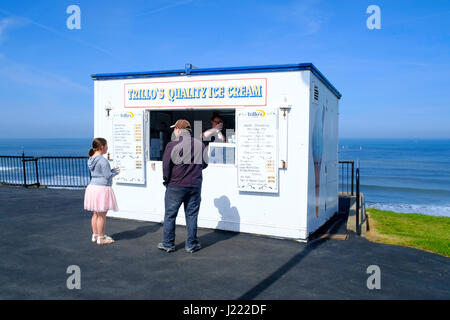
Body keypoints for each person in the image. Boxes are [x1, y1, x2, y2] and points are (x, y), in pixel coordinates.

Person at [158, 119, 208, 253]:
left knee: (170, 215)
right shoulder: (200, 145)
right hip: (195, 185)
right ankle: (191, 244)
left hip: (176, 184)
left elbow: (166, 165)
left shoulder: (172, 145)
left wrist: (166, 180)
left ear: (179, 130)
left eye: (174, 129)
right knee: (191, 215)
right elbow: (204, 164)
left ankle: (168, 244)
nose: (174, 131)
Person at [84, 138, 120, 245]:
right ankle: (101, 237)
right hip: (102, 189)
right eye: (107, 146)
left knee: (95, 213)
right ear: (102, 147)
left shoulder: (91, 159)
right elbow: (107, 176)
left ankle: (95, 235)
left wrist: (110, 171)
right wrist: (115, 172)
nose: (107, 148)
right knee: (102, 215)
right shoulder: (102, 160)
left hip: (92, 187)